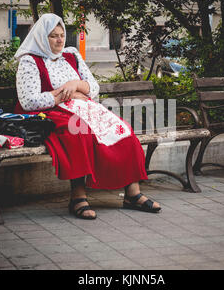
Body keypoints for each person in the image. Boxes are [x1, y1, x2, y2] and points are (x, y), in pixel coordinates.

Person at [14, 13, 161, 220]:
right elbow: (29, 101)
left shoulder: (71, 55)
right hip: (49, 113)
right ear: (41, 37)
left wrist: (75, 86)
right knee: (77, 133)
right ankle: (78, 197)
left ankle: (132, 193)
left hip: (84, 108)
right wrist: (63, 96)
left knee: (121, 128)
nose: (59, 39)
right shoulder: (30, 61)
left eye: (62, 34)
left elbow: (93, 88)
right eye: (53, 36)